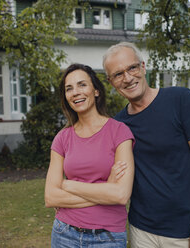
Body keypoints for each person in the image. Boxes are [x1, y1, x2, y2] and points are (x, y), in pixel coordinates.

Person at [103, 42, 190, 248]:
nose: (128, 78)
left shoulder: (180, 100)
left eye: (132, 68)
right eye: (118, 74)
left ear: (143, 67)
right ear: (110, 81)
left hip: (187, 231)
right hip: (141, 231)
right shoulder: (119, 125)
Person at [44, 63, 135, 247]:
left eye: (82, 85)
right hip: (64, 234)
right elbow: (51, 197)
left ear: (96, 91)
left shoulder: (119, 132)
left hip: (107, 237)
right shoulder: (62, 138)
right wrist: (105, 189)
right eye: (69, 89)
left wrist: (68, 184)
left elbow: (120, 195)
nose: (75, 92)